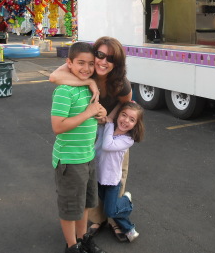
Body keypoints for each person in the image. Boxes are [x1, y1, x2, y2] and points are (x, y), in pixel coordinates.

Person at [49, 36, 133, 242]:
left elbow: (126, 104)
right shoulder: (86, 68)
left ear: (117, 63)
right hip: (88, 132)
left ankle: (114, 216)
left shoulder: (121, 82)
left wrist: (109, 119)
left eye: (110, 58)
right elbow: (54, 77)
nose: (103, 62)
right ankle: (98, 218)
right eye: (100, 55)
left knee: (114, 176)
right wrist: (88, 81)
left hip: (111, 128)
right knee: (92, 180)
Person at [51, 42, 107, 253]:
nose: (86, 68)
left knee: (84, 203)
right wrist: (89, 112)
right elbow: (58, 126)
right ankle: (72, 246)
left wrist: (99, 114)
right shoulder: (64, 91)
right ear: (69, 63)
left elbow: (93, 114)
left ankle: (83, 239)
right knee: (70, 208)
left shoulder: (85, 87)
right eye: (80, 63)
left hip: (87, 156)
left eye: (90, 64)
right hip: (69, 159)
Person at [96, 101, 144, 242]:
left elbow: (107, 145)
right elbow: (107, 120)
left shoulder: (127, 139)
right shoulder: (109, 128)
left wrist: (110, 123)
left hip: (112, 181)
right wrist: (120, 104)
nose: (126, 120)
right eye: (124, 115)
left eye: (132, 119)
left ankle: (126, 201)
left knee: (110, 211)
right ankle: (129, 229)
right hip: (100, 177)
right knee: (108, 206)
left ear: (136, 124)